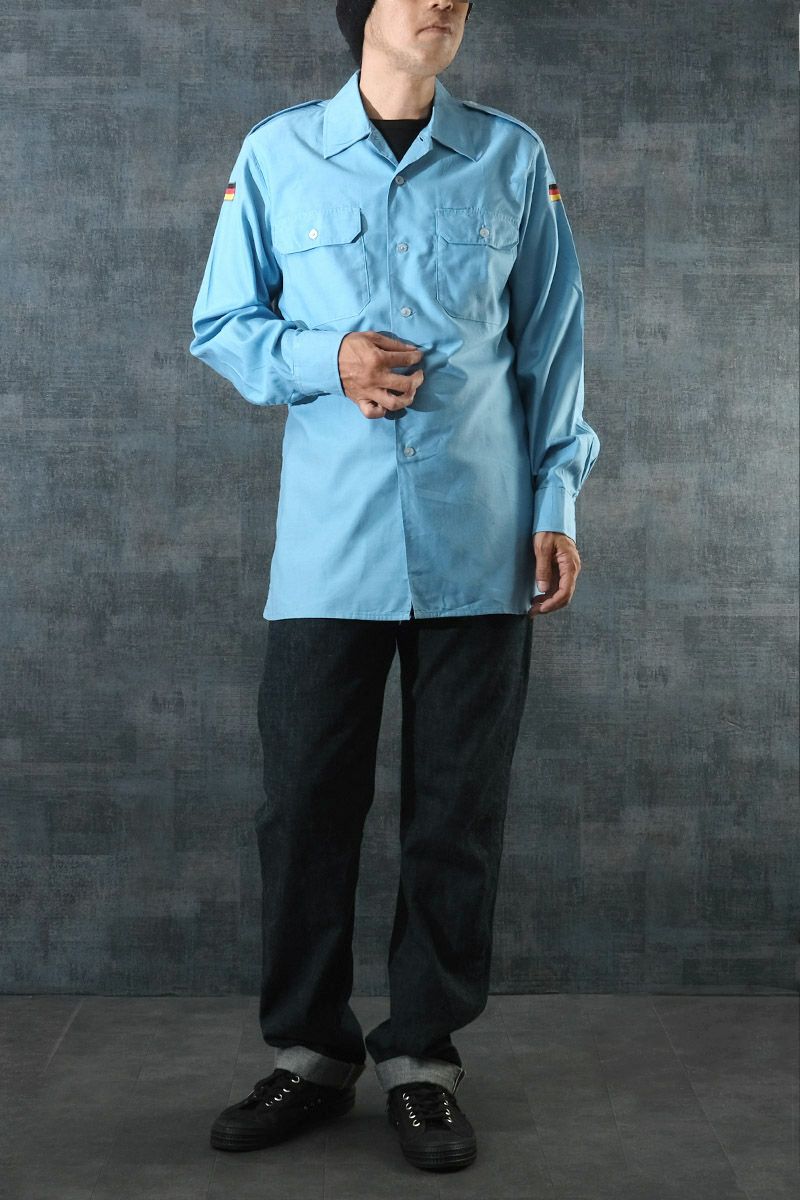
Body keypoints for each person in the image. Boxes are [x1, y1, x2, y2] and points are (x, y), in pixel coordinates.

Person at [188, 0, 600, 1175]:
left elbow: (552, 345)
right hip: (330, 547)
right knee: (304, 808)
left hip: (482, 541)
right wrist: (328, 359)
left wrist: (555, 501)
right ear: (357, 11)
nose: (443, 2)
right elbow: (222, 323)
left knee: (454, 818)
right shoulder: (277, 154)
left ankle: (422, 1057)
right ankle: (309, 1053)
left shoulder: (510, 156)